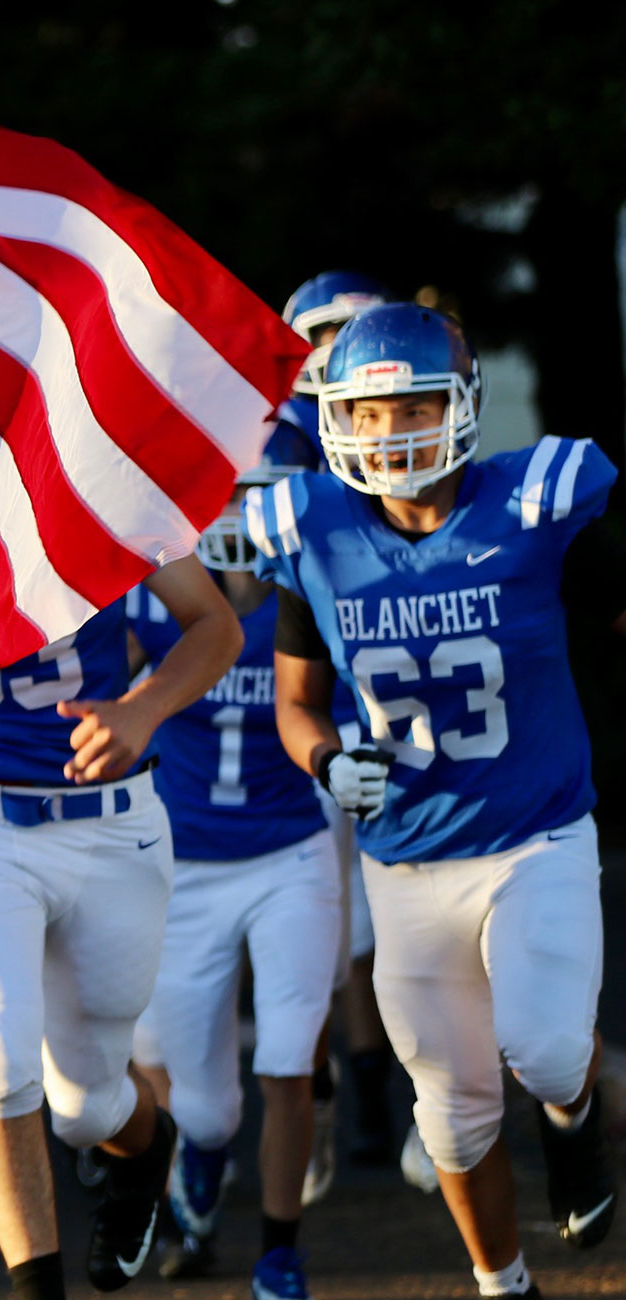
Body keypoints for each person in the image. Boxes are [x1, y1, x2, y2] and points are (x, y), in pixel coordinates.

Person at [252, 301, 626, 1299]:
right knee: (450, 1115)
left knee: (545, 1051)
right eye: (366, 416)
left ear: (460, 403)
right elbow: (296, 704)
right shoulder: (312, 532)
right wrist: (325, 761)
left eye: (411, 406)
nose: (389, 434)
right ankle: (500, 1284)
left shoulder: (530, 503)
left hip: (532, 832)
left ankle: (574, 1120)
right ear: (333, 418)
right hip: (404, 859)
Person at [0, 560, 242, 1300]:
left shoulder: (95, 463)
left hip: (108, 820)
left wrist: (144, 706)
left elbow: (216, 624)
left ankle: (146, 1149)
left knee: (85, 1106)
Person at [125, 465, 339, 1299]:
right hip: (189, 864)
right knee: (207, 1111)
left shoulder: (313, 593)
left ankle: (280, 1253)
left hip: (290, 852)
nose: (238, 511)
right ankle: (202, 1163)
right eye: (222, 489)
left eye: (258, 490)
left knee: (287, 1058)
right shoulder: (157, 603)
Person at [278, 270, 401, 1200]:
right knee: (321, 924)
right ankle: (322, 1098)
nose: (331, 360)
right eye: (318, 337)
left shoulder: (402, 432)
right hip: (301, 703)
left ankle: (383, 1100)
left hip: (405, 701)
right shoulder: (270, 447)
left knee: (394, 915)